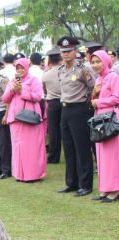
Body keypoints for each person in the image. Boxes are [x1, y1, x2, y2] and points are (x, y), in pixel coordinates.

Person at [56, 36, 95, 196]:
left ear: (75, 51)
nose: (66, 54)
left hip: (79, 109)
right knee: (68, 147)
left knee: (82, 148)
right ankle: (71, 182)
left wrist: (88, 103)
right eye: (63, 51)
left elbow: (94, 87)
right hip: (65, 109)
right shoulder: (60, 70)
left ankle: (85, 184)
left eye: (69, 51)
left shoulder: (82, 69)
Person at [2, 58, 46, 182]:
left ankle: (33, 175)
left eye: (22, 67)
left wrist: (22, 91)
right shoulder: (13, 81)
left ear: (27, 67)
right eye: (17, 68)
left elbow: (38, 96)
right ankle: (19, 175)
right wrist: (12, 90)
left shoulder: (33, 80)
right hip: (15, 119)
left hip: (29, 118)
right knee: (17, 148)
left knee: (31, 148)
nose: (20, 70)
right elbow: (5, 99)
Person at [89, 50, 119, 202]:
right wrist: (94, 94)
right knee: (101, 155)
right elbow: (94, 100)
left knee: (111, 155)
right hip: (99, 119)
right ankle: (105, 188)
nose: (95, 65)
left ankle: (114, 189)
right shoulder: (99, 79)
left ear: (106, 61)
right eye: (93, 62)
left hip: (110, 120)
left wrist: (99, 102)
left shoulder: (113, 76)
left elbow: (116, 97)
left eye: (98, 61)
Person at [42, 48, 63, 164]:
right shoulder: (64, 71)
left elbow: (44, 88)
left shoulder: (46, 74)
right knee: (66, 129)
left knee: (54, 131)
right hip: (65, 101)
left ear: (49, 59)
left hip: (52, 103)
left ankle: (54, 156)